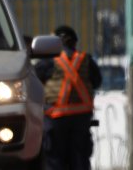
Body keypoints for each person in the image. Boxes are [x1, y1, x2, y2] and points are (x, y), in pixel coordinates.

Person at [35, 25, 102, 170]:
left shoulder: (49, 62)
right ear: (74, 42)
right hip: (81, 118)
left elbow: (34, 84)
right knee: (79, 159)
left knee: (54, 160)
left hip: (55, 118)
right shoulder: (86, 60)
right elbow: (97, 81)